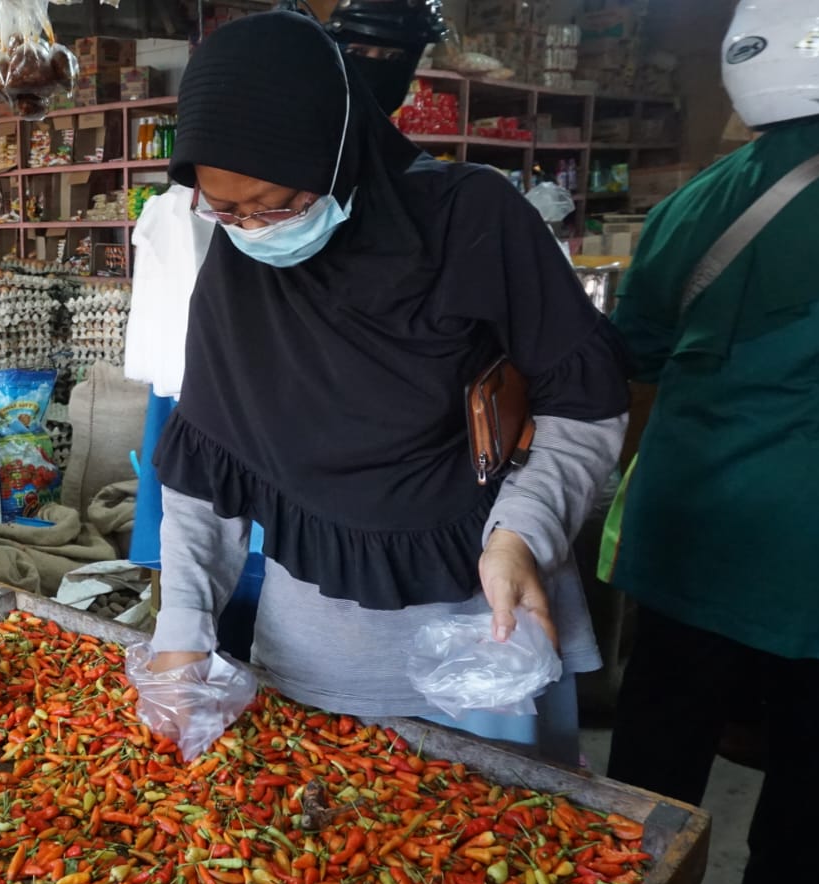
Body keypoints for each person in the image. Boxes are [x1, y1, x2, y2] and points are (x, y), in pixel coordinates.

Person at [139, 10, 631, 764]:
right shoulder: (238, 270)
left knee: (503, 824)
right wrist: (182, 630)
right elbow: (207, 469)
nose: (254, 229)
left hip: (485, 631)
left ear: (335, 153)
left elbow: (581, 402)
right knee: (319, 819)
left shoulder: (470, 219)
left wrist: (520, 535)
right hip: (315, 649)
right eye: (224, 209)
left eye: (275, 204)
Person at [604, 2, 819, 884]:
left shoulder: (693, 201)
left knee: (649, 776)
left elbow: (635, 350)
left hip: (688, 536)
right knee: (814, 791)